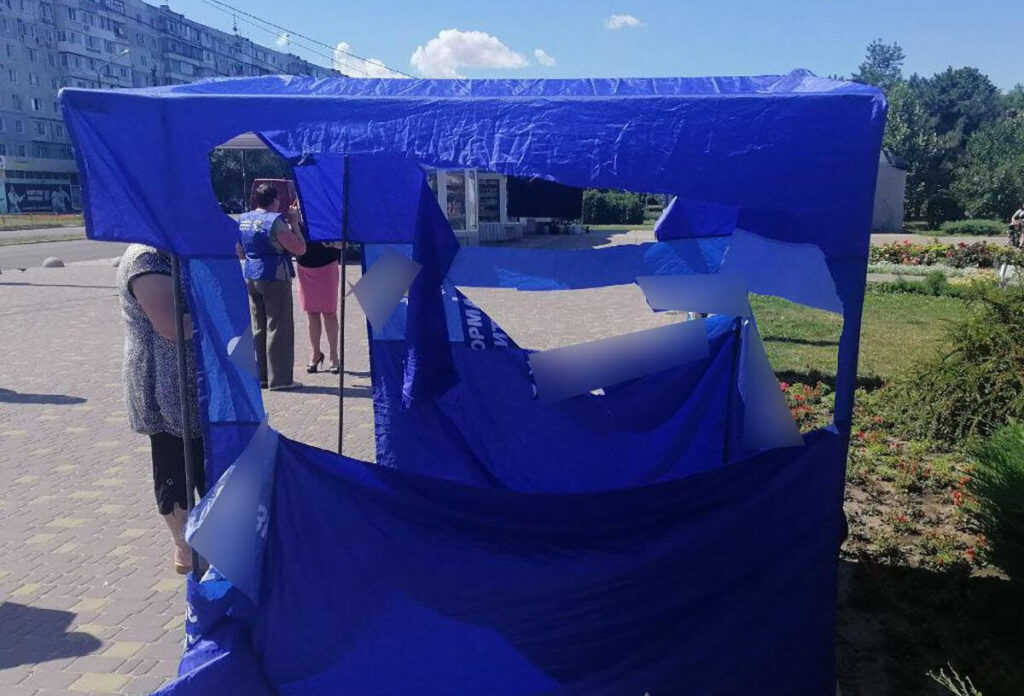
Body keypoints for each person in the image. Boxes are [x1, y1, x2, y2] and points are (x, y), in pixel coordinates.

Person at [116, 244, 206, 575]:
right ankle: (186, 547)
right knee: (174, 463)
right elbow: (171, 326)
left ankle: (207, 542)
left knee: (200, 459)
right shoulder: (146, 259)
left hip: (190, 380)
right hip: (163, 383)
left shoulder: (174, 249)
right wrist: (219, 315)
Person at [236, 183, 306, 390]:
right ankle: (281, 379)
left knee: (258, 327)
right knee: (278, 326)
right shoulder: (275, 222)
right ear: (275, 200)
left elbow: (239, 250)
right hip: (275, 275)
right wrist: (294, 224)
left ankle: (261, 376)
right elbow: (299, 249)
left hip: (251, 274)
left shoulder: (243, 219)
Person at [293, 200, 342, 373]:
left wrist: (330, 242)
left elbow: (343, 243)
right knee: (311, 313)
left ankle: (334, 356)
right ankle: (315, 354)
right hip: (305, 268)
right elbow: (291, 241)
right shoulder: (294, 210)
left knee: (329, 312)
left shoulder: (327, 209)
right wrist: (294, 222)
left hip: (327, 266)